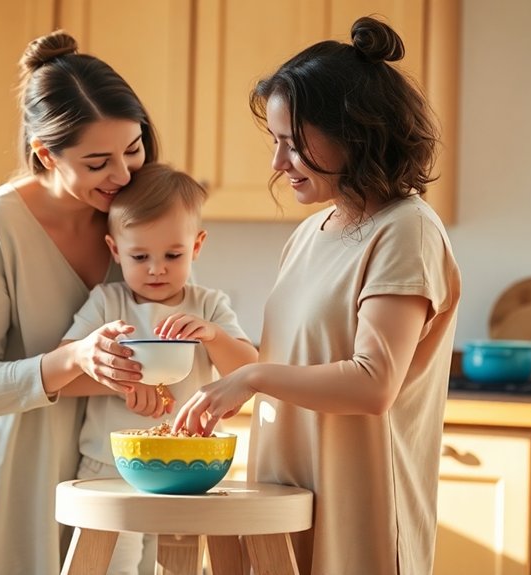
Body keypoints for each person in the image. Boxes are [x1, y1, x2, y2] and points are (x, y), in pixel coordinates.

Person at [173, 16, 462, 575]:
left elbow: (372, 383)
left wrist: (253, 378)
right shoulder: (310, 232)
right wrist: (227, 357)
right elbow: (294, 370)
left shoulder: (407, 229)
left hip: (359, 512)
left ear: (356, 133)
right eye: (276, 143)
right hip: (283, 499)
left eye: (295, 144)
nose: (278, 165)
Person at [0, 30, 162, 575]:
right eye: (97, 162)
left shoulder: (139, 217)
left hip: (97, 498)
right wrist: (75, 358)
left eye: (133, 148)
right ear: (45, 154)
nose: (122, 175)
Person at [58, 163, 259, 575]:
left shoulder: (209, 306)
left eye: (173, 255)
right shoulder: (106, 303)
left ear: (197, 246)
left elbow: (249, 373)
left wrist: (214, 337)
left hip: (190, 470)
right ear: (115, 250)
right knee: (115, 567)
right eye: (139, 256)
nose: (156, 269)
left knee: (179, 567)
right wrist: (115, 379)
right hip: (108, 467)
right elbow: (65, 373)